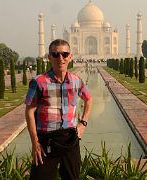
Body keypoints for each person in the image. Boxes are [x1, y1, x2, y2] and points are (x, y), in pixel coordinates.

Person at [25, 39, 92, 180]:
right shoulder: (38, 82)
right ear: (49, 57)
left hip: (70, 138)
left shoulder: (76, 81)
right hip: (46, 140)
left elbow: (89, 99)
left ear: (70, 56)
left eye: (64, 54)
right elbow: (29, 111)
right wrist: (35, 142)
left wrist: (83, 123)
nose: (60, 58)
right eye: (55, 54)